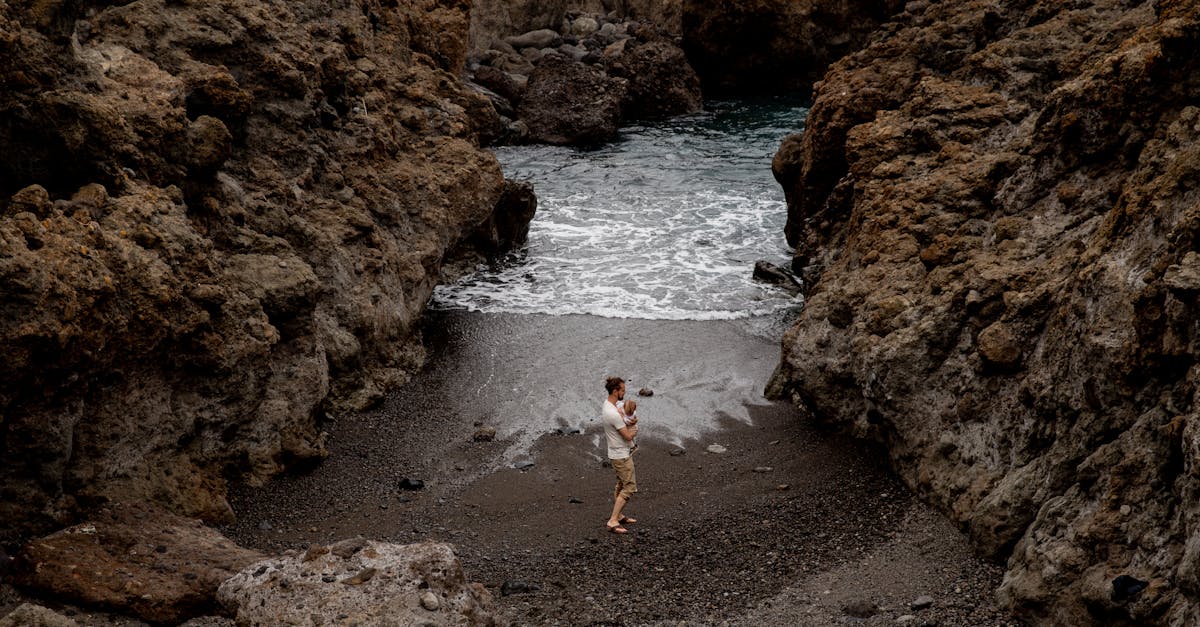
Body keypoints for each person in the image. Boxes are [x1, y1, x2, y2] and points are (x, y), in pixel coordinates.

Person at [602, 376, 639, 534]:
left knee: (621, 484)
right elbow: (628, 436)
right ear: (615, 391)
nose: (624, 392)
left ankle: (619, 515)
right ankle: (613, 520)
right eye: (622, 390)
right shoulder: (613, 414)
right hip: (621, 455)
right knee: (629, 487)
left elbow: (622, 408)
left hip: (616, 453)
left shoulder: (608, 404)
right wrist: (635, 428)